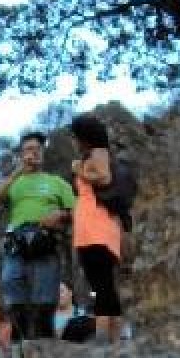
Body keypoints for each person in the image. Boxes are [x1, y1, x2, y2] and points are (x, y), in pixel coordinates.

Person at [0, 131, 75, 340]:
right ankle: (18, 346)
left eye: (37, 149)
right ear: (21, 154)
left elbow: (77, 211)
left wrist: (61, 214)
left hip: (46, 239)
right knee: (11, 288)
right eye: (28, 149)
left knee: (45, 299)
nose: (33, 153)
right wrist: (17, 172)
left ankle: (45, 347)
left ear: (43, 153)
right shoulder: (14, 182)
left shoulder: (57, 182)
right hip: (16, 240)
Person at [69, 113, 124, 342]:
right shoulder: (91, 155)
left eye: (75, 136)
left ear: (85, 136)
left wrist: (79, 170)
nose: (74, 141)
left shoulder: (98, 152)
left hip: (96, 230)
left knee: (102, 285)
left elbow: (103, 177)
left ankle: (104, 340)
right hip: (90, 230)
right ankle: (114, 340)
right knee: (103, 285)